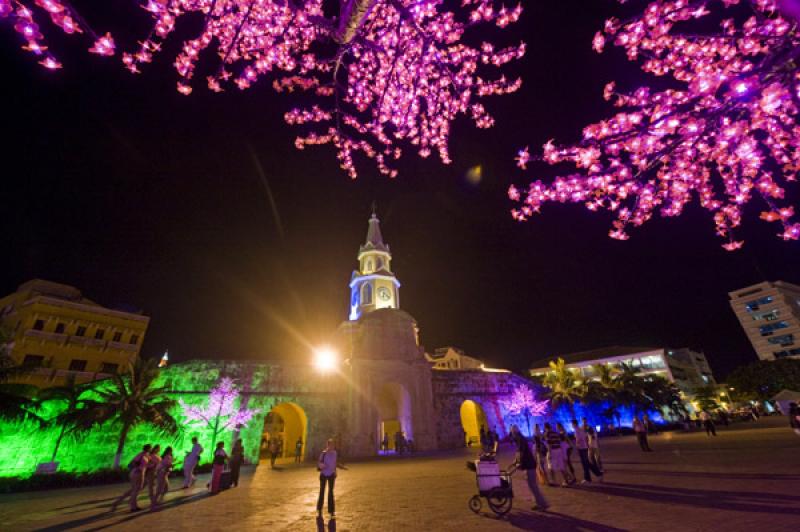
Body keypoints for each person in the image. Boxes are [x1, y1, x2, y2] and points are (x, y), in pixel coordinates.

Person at [510, 424, 549, 511]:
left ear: (515, 432)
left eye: (512, 432)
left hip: (529, 465)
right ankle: (539, 503)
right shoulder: (520, 439)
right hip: (529, 465)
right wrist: (516, 461)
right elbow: (519, 452)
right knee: (532, 485)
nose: (512, 434)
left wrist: (518, 462)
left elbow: (521, 452)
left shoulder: (520, 439)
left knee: (533, 486)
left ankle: (543, 504)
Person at [112, 444, 151, 512]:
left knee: (135, 490)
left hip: (140, 473)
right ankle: (133, 507)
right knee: (136, 490)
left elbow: (146, 465)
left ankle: (123, 503)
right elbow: (133, 462)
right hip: (137, 473)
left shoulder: (146, 455)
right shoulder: (141, 455)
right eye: (150, 448)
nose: (150, 449)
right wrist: (139, 469)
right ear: (148, 448)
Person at [317, 438, 347, 518]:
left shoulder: (334, 453)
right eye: (330, 445)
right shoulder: (323, 453)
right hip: (323, 474)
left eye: (333, 445)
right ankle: (319, 509)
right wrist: (321, 465)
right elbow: (319, 463)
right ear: (327, 445)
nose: (332, 446)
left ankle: (331, 511)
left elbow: (335, 463)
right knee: (322, 492)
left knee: (331, 493)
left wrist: (340, 468)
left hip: (331, 475)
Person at [571, 419, 603, 484]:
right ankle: (597, 474)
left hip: (582, 448)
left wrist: (577, 448)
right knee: (587, 463)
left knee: (585, 464)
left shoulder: (577, 430)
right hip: (585, 447)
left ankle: (588, 478)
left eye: (572, 424)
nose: (571, 425)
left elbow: (578, 440)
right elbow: (585, 437)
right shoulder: (581, 429)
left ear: (574, 424)